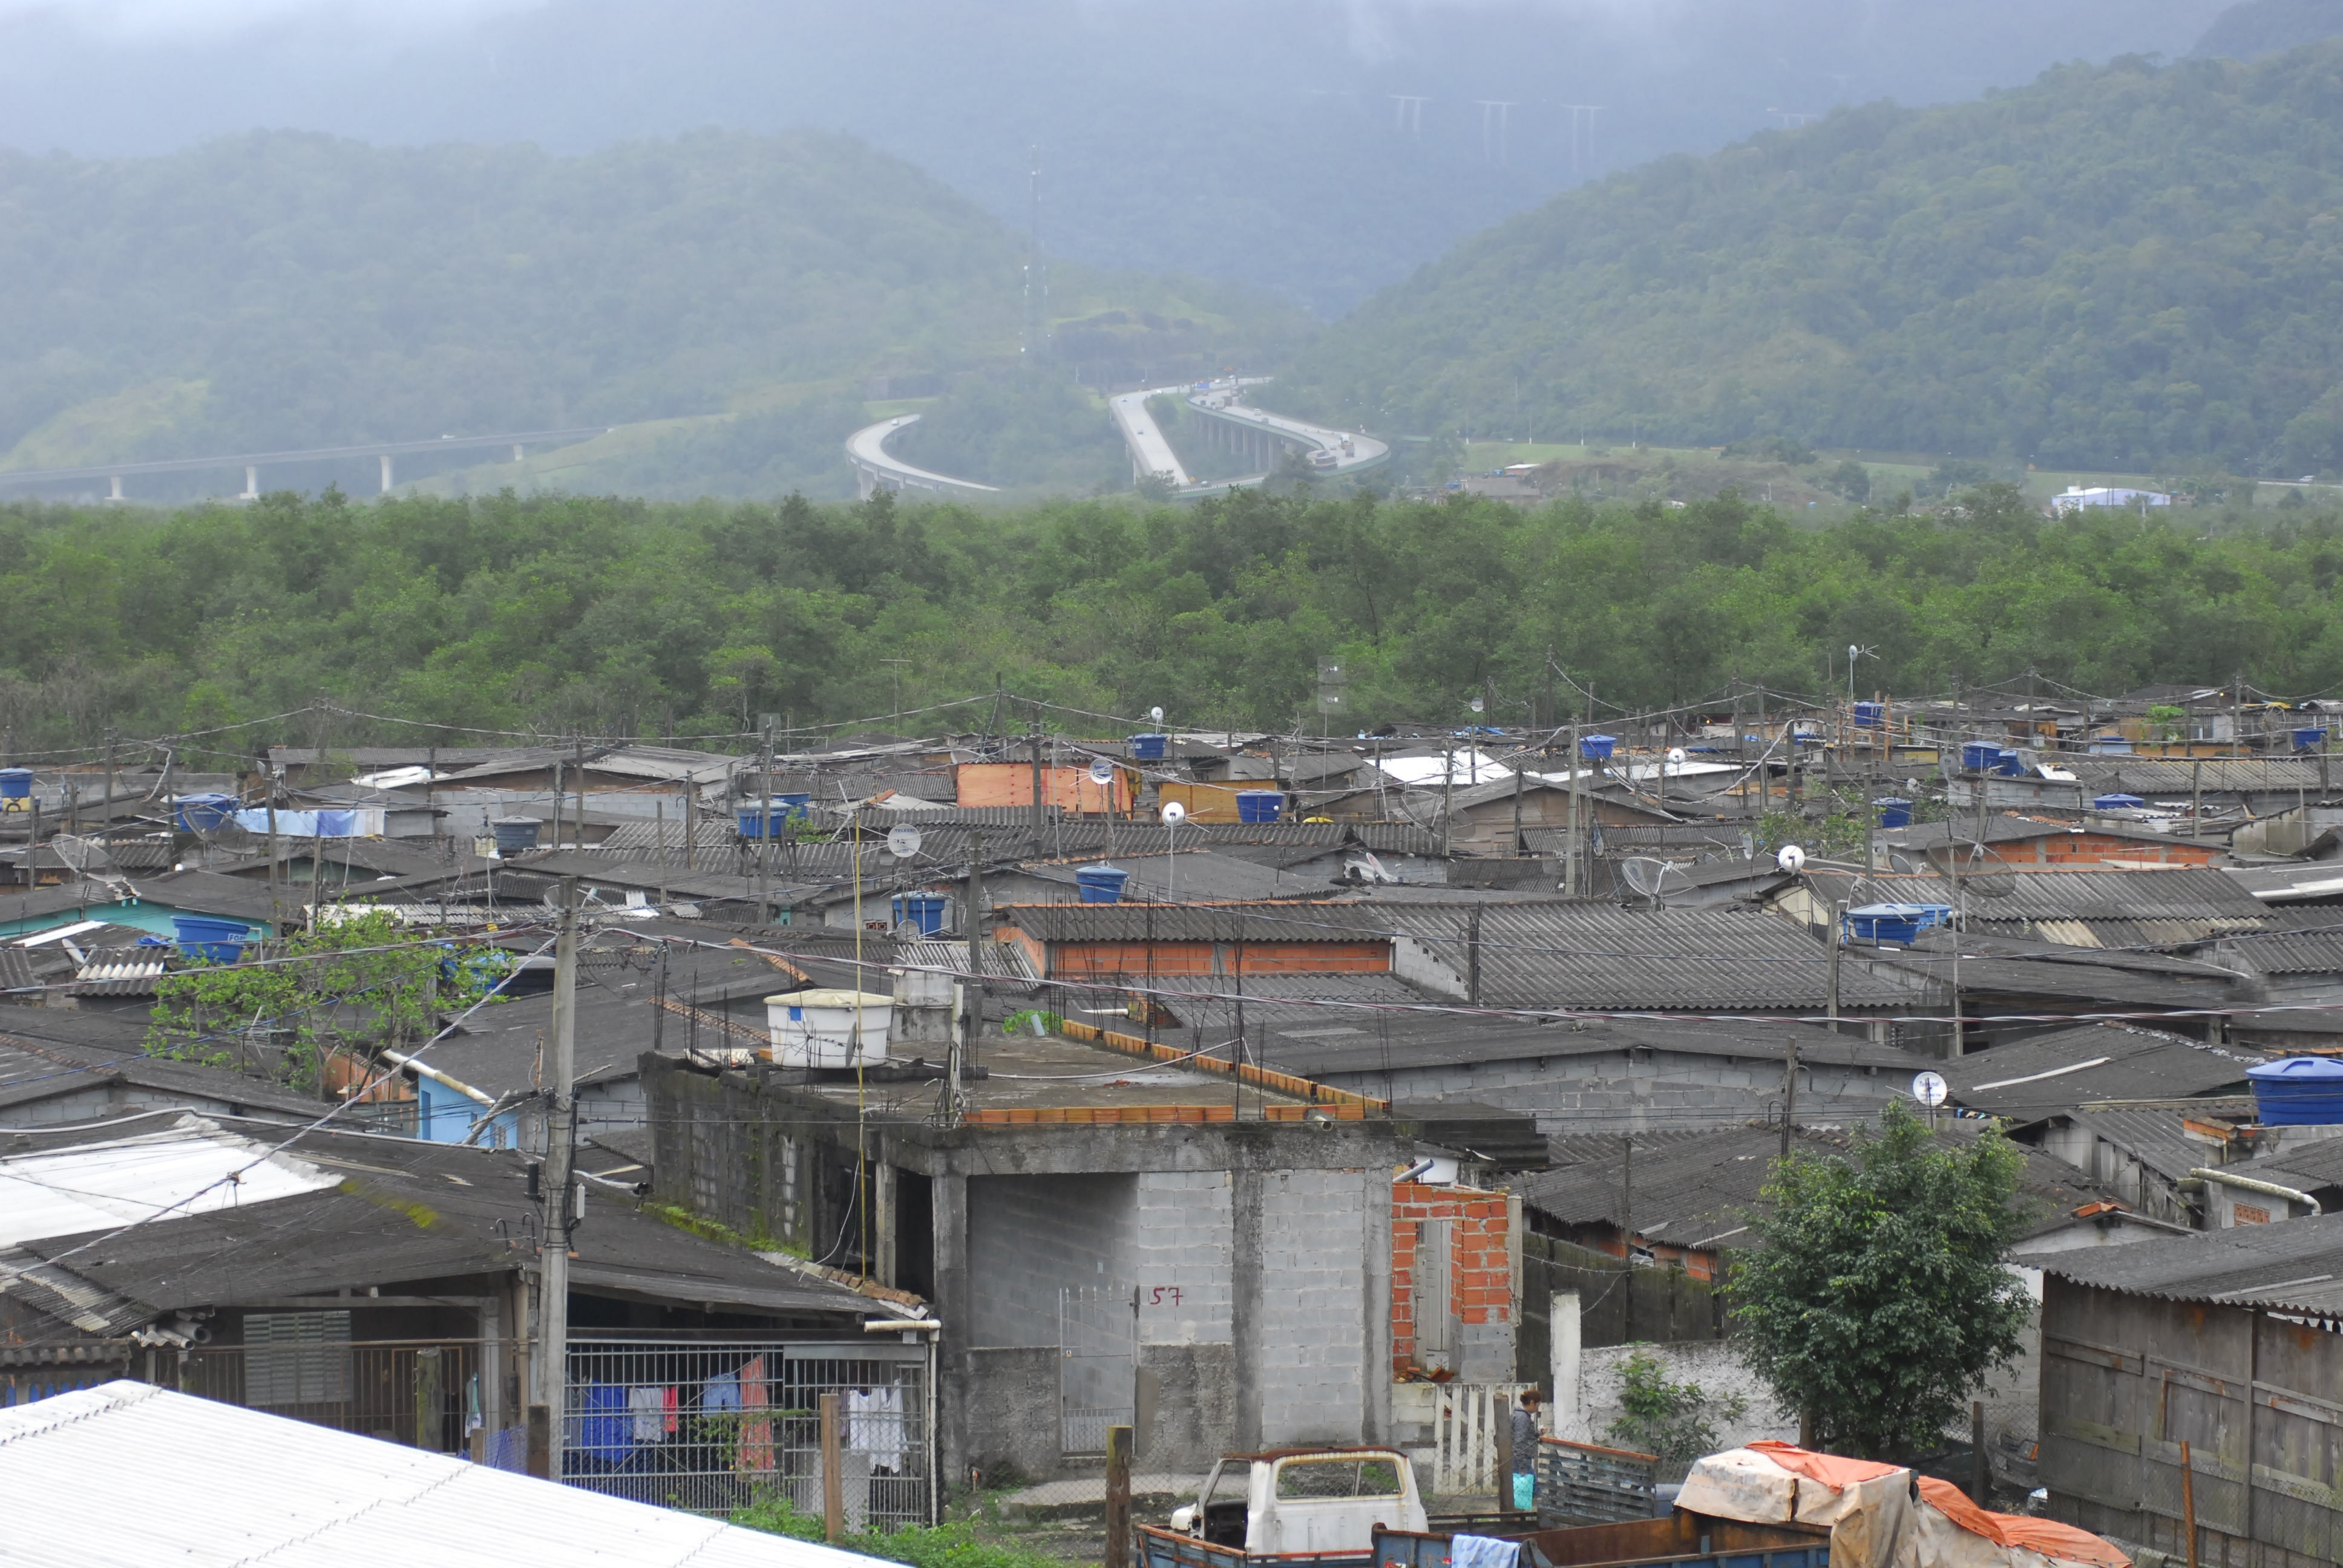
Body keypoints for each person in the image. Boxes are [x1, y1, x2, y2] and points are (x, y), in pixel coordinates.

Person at [1510, 1388, 1544, 1511]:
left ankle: (1523, 1510)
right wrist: (1522, 1466)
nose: (1538, 1408)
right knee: (1529, 1485)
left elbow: (1524, 1435)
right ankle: (1525, 1511)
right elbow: (1519, 1442)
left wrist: (1537, 1433)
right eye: (1538, 1404)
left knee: (1530, 1485)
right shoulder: (1523, 1418)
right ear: (1532, 1403)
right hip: (1520, 1458)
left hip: (1520, 1457)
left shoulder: (1521, 1416)